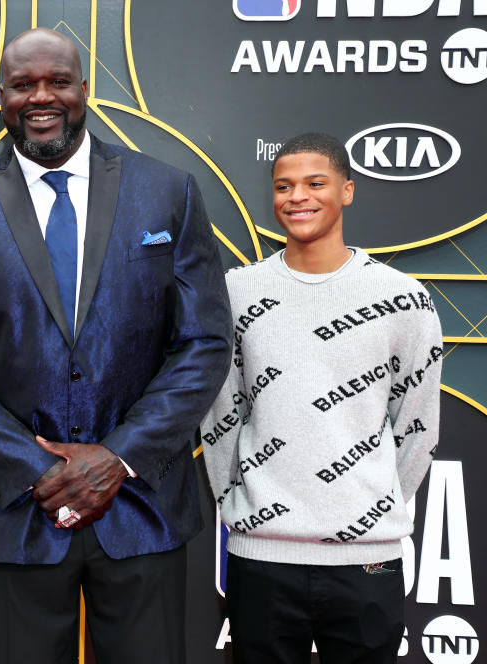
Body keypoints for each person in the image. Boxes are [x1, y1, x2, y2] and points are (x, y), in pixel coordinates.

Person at [0, 27, 232, 664]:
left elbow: (203, 343)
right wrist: (40, 470)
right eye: (23, 85)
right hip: (16, 514)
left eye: (58, 81)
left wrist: (118, 456)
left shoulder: (167, 191)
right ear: (2, 96)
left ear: (86, 87)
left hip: (143, 506)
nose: (41, 96)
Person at [199, 132, 443, 663]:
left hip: (367, 561)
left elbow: (417, 427)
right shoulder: (237, 292)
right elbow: (221, 415)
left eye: (315, 183)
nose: (297, 197)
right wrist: (245, 507)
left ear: (347, 190)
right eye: (283, 186)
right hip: (261, 556)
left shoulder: (402, 298)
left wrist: (368, 507)